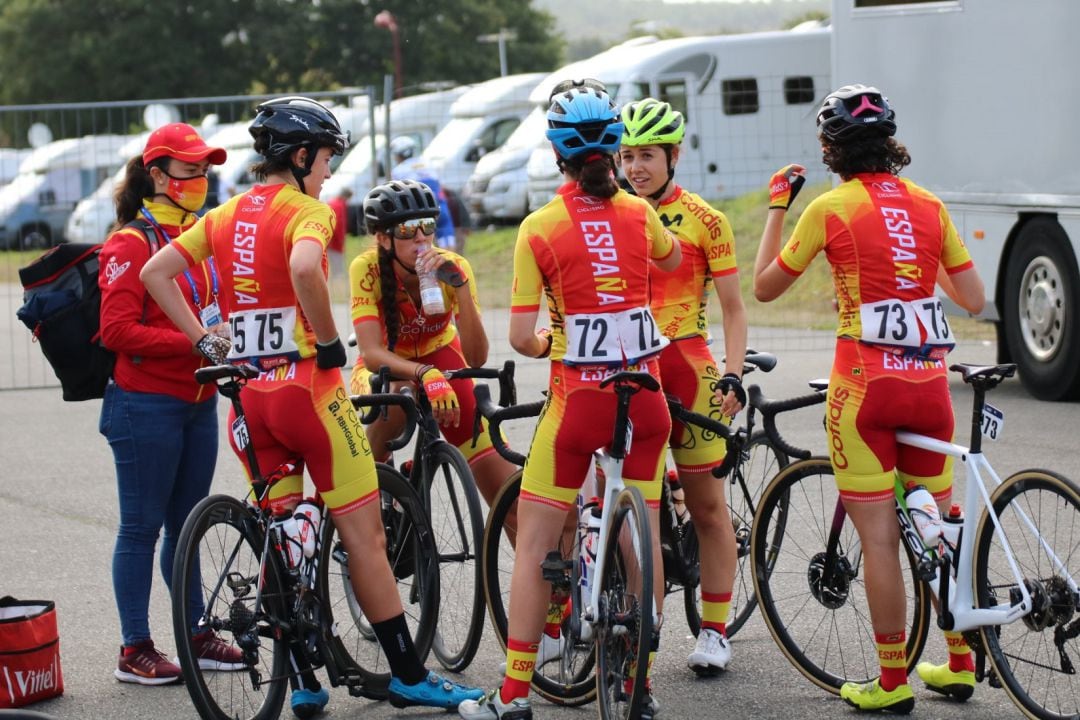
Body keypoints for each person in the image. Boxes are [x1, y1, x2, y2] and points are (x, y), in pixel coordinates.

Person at [140, 96, 483, 719]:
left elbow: (156, 274)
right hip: (306, 393)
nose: (328, 171)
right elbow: (303, 265)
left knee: (283, 532)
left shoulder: (222, 215)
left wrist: (204, 338)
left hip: (249, 401)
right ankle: (407, 674)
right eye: (325, 158)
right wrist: (326, 342)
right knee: (365, 535)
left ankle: (302, 680)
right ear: (300, 157)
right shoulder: (307, 210)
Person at [752, 84, 985, 713]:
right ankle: (959, 663)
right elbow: (974, 300)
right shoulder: (931, 206)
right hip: (930, 387)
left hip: (864, 390)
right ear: (890, 143)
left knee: (879, 539)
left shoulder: (828, 208)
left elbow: (766, 287)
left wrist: (778, 206)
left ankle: (890, 682)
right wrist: (914, 262)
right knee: (939, 523)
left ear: (831, 150)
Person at [458, 83, 681, 720]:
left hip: (578, 399)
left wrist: (557, 335)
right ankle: (641, 680)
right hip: (646, 401)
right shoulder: (641, 214)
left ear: (556, 151)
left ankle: (514, 695)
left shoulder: (540, 227)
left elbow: (521, 337)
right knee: (647, 533)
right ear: (614, 147)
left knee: (533, 544)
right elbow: (668, 261)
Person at [98, 122, 240, 685]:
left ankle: (197, 634)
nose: (201, 179)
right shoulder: (130, 243)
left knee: (187, 526)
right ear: (156, 175)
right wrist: (195, 343)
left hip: (197, 402)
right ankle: (134, 649)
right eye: (189, 170)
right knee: (140, 529)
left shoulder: (198, 236)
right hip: (143, 406)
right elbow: (116, 332)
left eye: (206, 170)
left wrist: (224, 341)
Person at [618, 98, 748, 674]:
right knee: (628, 507)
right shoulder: (611, 215)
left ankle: (716, 630)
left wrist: (736, 373)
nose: (635, 167)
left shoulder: (706, 219)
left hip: (690, 368)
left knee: (708, 508)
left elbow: (734, 310)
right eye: (626, 155)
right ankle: (645, 621)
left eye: (647, 155)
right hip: (629, 371)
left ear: (675, 154)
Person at [349, 178, 517, 505]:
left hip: (444, 356)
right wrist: (424, 373)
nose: (421, 238)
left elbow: (477, 357)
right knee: (401, 394)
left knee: (507, 498)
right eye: (408, 231)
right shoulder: (365, 268)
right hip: (389, 368)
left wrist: (462, 287)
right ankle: (383, 495)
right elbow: (370, 354)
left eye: (427, 226)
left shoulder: (453, 265)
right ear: (383, 239)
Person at [390, 135, 456, 250]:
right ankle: (450, 265)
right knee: (447, 236)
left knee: (421, 241)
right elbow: (441, 185)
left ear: (399, 154)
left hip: (419, 211)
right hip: (440, 206)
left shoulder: (398, 171)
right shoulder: (429, 164)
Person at [326, 186, 352, 285]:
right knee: (338, 264)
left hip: (329, 239)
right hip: (335, 241)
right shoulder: (340, 205)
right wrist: (341, 240)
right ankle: (338, 284)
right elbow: (339, 224)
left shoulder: (332, 202)